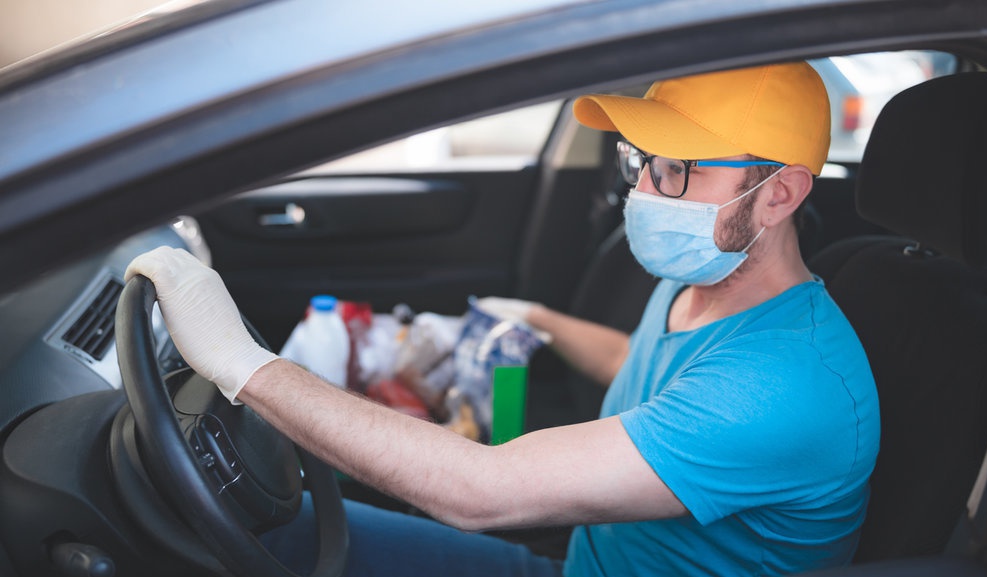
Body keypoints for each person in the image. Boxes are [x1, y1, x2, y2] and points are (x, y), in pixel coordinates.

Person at [127, 61, 880, 577]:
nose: (647, 190)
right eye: (643, 160)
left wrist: (245, 365)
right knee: (270, 530)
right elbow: (643, 366)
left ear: (779, 195)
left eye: (679, 169)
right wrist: (538, 317)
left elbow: (482, 491)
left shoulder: (786, 384)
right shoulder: (709, 282)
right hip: (581, 559)